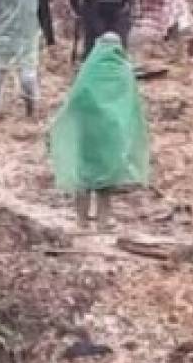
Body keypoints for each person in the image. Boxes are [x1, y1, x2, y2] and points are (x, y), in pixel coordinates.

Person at [49, 32, 150, 231]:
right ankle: (103, 221)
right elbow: (132, 106)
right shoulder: (124, 72)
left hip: (86, 134)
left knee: (84, 178)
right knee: (106, 181)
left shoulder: (89, 71)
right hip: (111, 136)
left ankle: (82, 221)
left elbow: (74, 100)